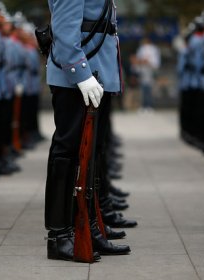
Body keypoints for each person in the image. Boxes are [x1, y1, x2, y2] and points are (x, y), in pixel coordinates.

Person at [44, 0, 131, 262]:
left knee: (90, 156)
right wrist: (80, 74)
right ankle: (59, 235)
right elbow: (64, 28)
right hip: (79, 76)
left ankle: (89, 226)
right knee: (67, 153)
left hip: (96, 71)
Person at [134, 37, 161, 112]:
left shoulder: (153, 49)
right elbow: (138, 59)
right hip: (143, 71)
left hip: (150, 70)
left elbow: (156, 61)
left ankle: (150, 105)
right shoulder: (141, 48)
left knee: (150, 89)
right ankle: (143, 105)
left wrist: (148, 62)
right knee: (143, 89)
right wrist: (141, 63)